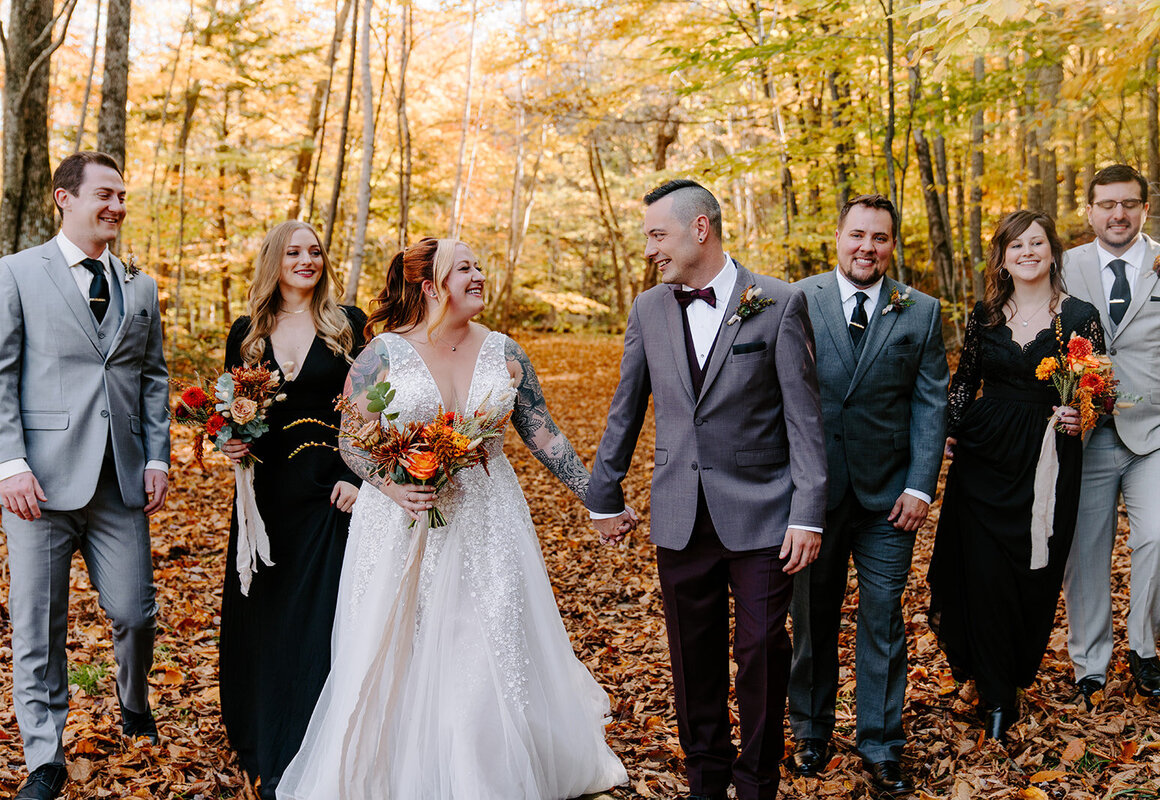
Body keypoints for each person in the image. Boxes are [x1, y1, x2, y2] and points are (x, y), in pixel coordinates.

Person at [276, 237, 627, 798]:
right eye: (464, 267)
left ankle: (482, 774)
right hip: (403, 523)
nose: (479, 274)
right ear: (430, 284)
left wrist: (596, 499)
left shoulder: (506, 351)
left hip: (489, 519)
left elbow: (544, 435)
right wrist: (395, 487)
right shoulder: (383, 354)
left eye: (480, 265)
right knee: (405, 647)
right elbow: (352, 440)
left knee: (486, 641)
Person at [588, 179, 827, 800]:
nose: (649, 250)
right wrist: (604, 492)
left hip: (763, 513)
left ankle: (756, 786)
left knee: (761, 653)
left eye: (657, 235)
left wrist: (808, 513)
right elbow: (625, 409)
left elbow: (804, 419)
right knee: (692, 661)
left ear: (701, 230)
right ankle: (705, 781)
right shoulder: (648, 310)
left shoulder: (777, 302)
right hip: (678, 513)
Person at [0, 152, 170, 800]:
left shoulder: (140, 286)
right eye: (106, 194)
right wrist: (10, 465)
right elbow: (1, 374)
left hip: (119, 484)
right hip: (36, 489)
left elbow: (151, 377)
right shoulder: (15, 275)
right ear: (63, 199)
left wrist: (156, 456)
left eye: (123, 195)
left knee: (135, 611)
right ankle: (45, 756)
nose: (118, 206)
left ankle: (133, 700)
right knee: (36, 625)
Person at [788, 195, 947, 794]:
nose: (867, 248)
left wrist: (920, 487)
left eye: (880, 238)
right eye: (858, 235)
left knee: (883, 620)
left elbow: (929, 402)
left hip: (889, 501)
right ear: (837, 236)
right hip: (814, 498)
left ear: (892, 245)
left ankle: (881, 743)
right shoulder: (798, 299)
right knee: (811, 617)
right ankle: (810, 731)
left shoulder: (921, 311)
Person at [928, 210, 1103, 739]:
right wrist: (949, 433)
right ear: (1002, 257)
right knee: (983, 573)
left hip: (1049, 457)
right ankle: (997, 694)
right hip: (984, 459)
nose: (1027, 252)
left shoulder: (1079, 316)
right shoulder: (984, 316)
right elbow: (964, 383)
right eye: (1016, 245)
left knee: (1034, 572)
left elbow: (1099, 387)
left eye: (1036, 242)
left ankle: (1013, 670)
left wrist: (1085, 411)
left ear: (1052, 251)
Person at [216, 220, 366, 799]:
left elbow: (373, 411)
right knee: (268, 618)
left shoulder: (348, 325)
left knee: (322, 619)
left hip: (332, 494)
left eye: (316, 252)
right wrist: (230, 439)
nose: (307, 260)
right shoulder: (246, 332)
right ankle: (265, 740)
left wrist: (358, 478)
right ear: (274, 260)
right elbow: (237, 415)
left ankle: (317, 744)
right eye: (295, 252)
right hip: (267, 498)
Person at [1062, 165, 1160, 705]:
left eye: (1129, 203)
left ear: (1145, 208)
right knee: (1085, 550)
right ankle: (1089, 663)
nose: (1117, 214)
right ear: (1090, 210)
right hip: (1088, 433)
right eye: (1106, 204)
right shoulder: (1063, 266)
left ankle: (1143, 648)